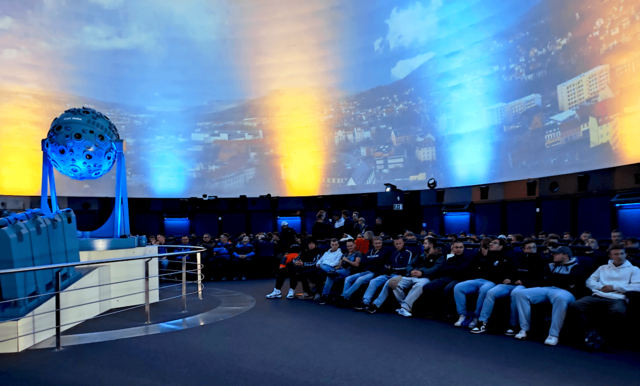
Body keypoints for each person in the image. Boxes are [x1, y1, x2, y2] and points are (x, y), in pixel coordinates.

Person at [568, 244, 640, 350]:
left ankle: (609, 341)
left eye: (622, 253)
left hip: (617, 298)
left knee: (618, 311)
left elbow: (637, 286)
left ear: (626, 255)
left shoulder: (634, 269)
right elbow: (589, 281)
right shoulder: (602, 268)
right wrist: (601, 287)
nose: (620, 256)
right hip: (598, 295)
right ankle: (589, 334)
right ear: (610, 256)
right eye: (616, 254)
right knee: (575, 306)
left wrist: (614, 287)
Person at [513, 246, 583, 346]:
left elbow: (573, 282)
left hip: (565, 291)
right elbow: (543, 279)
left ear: (565, 255)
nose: (553, 255)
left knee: (560, 298)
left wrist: (554, 278)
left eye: (556, 253)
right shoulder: (550, 265)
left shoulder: (576, 267)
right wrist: (562, 279)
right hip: (547, 288)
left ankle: (553, 335)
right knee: (521, 293)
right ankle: (524, 329)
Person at [471, 238, 543, 335]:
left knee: (515, 293)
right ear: (524, 249)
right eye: (529, 248)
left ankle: (512, 325)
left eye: (533, 247)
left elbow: (537, 276)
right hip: (511, 283)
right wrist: (509, 279)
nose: (532, 249)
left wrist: (522, 280)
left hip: (525, 285)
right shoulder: (517, 258)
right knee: (491, 292)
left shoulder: (541, 260)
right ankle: (482, 322)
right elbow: (512, 271)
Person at [453, 238, 512, 328]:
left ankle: (476, 317)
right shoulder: (485, 256)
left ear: (501, 246)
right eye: (491, 243)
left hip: (492, 282)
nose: (491, 244)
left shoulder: (505, 258)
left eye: (494, 243)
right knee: (458, 287)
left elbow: (500, 273)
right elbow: (476, 268)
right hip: (478, 279)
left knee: (484, 290)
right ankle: (462, 315)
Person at [354, 236, 413, 314]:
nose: (398, 245)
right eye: (396, 244)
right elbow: (386, 264)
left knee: (387, 283)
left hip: (400, 275)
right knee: (373, 281)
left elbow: (405, 267)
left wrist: (392, 268)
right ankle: (365, 302)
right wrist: (388, 268)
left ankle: (376, 305)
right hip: (388, 273)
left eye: (400, 243)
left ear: (403, 243)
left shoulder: (408, 253)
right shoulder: (393, 253)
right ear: (394, 244)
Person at [420, 240, 476, 319]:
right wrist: (454, 268)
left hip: (458, 279)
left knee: (448, 289)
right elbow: (442, 269)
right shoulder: (450, 257)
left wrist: (451, 269)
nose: (459, 249)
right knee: (427, 287)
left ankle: (449, 313)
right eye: (456, 247)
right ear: (453, 248)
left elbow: (460, 270)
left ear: (463, 248)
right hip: (445, 278)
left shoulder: (468, 258)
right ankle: (434, 311)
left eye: (460, 247)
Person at [393, 237, 444, 317]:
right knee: (393, 283)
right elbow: (409, 264)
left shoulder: (439, 256)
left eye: (425, 243)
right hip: (412, 275)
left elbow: (435, 269)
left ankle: (404, 307)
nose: (423, 245)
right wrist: (411, 271)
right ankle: (405, 306)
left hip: (426, 277)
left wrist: (422, 272)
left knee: (420, 285)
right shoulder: (420, 255)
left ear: (430, 245)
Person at [339, 236, 390, 304]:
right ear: (373, 244)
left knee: (360, 279)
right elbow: (363, 260)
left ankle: (343, 297)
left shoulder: (384, 250)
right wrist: (372, 259)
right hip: (365, 271)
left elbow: (379, 258)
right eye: (376, 243)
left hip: (373, 272)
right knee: (348, 279)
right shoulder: (371, 250)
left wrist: (370, 258)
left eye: (379, 243)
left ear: (381, 243)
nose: (378, 245)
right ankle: (346, 299)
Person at [317, 239, 362, 304]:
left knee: (332, 274)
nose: (349, 247)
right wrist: (337, 267)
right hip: (341, 270)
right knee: (330, 275)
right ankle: (325, 296)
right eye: (348, 246)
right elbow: (339, 265)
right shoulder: (345, 254)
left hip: (350, 271)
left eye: (351, 246)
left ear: (354, 245)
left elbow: (357, 264)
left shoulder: (358, 253)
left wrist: (347, 260)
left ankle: (327, 295)